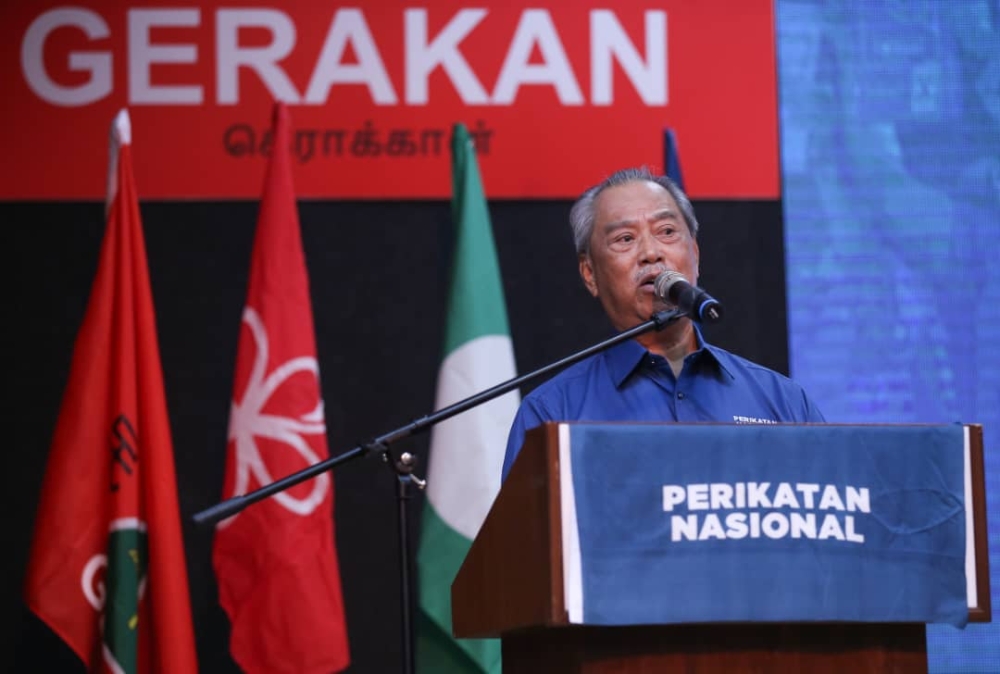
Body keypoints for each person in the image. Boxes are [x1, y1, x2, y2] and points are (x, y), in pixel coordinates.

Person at [501, 167, 825, 481]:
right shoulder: (551, 415)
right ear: (590, 274)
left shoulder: (784, 403)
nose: (651, 253)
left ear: (695, 254)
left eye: (667, 232)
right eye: (625, 238)